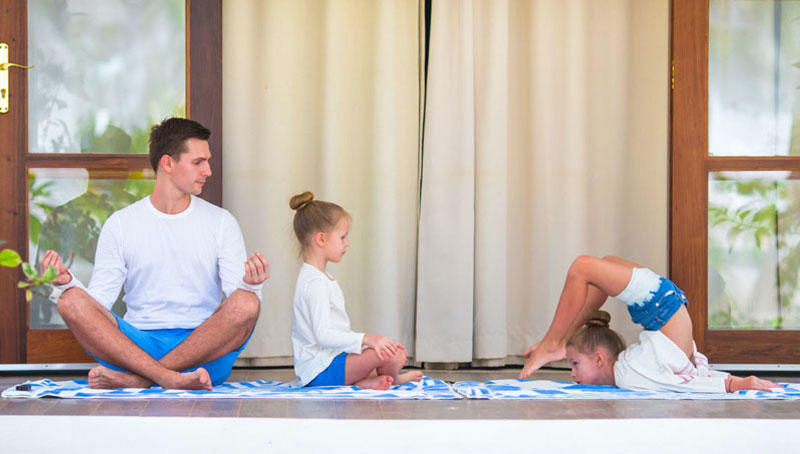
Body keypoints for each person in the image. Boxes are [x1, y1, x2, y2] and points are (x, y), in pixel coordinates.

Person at [40, 117, 269, 391]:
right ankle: (168, 378)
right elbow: (99, 301)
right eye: (198, 162)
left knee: (247, 303)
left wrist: (250, 285)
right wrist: (67, 284)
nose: (208, 170)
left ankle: (142, 380)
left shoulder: (221, 222)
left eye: (207, 161)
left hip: (204, 350)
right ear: (168, 163)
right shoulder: (121, 223)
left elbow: (237, 301)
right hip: (137, 346)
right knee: (69, 301)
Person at [519, 255, 781, 393]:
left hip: (664, 306)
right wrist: (732, 381)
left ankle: (555, 343)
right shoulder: (631, 371)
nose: (572, 374)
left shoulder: (628, 374)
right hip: (661, 305)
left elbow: (679, 384)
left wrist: (732, 383)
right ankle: (560, 342)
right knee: (591, 268)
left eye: (574, 364)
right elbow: (686, 380)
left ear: (600, 358)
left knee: (589, 266)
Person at [289, 191, 423, 390]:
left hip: (332, 361)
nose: (347, 243)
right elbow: (323, 335)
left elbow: (336, 335)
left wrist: (365, 345)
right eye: (342, 237)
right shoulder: (315, 283)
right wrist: (367, 339)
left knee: (395, 353)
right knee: (386, 353)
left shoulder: (319, 277)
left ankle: (365, 381)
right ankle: (390, 380)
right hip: (319, 372)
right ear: (321, 239)